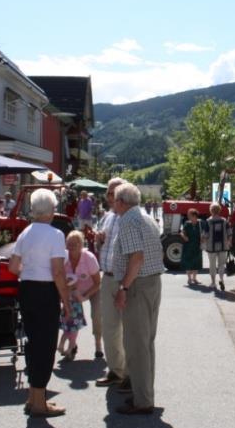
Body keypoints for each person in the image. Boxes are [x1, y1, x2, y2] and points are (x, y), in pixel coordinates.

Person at [8, 188, 72, 418]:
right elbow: (57, 272)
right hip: (45, 292)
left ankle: (34, 397)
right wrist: (66, 301)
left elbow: (13, 267)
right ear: (50, 210)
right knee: (45, 346)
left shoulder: (25, 232)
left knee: (34, 343)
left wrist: (30, 269)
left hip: (27, 288)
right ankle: (39, 402)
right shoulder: (55, 235)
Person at [111, 182, 164, 415]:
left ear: (121, 202)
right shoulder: (146, 217)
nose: (112, 203)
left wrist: (123, 287)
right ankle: (146, 395)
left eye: (114, 199)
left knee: (136, 345)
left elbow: (136, 258)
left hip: (137, 285)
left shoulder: (128, 220)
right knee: (146, 343)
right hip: (152, 282)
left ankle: (142, 400)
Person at [94, 178, 129, 389]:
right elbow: (102, 244)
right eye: (108, 194)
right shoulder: (107, 218)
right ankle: (115, 370)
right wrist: (98, 239)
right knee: (109, 328)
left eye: (112, 194)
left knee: (127, 329)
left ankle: (129, 373)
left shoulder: (131, 218)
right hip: (106, 276)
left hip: (123, 279)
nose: (109, 198)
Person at [63, 230, 102, 359]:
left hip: (93, 289)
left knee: (96, 315)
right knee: (69, 315)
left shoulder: (89, 258)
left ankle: (98, 344)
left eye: (75, 243)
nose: (72, 246)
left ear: (81, 245)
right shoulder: (64, 259)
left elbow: (98, 282)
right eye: (69, 243)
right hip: (73, 292)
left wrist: (85, 296)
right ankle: (72, 345)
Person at [202, 203, 231, 291]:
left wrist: (202, 239)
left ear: (211, 210)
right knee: (221, 265)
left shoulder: (208, 221)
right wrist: (229, 242)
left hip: (211, 247)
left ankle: (213, 283)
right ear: (219, 210)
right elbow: (229, 232)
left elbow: (206, 235)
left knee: (212, 265)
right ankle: (221, 279)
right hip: (223, 246)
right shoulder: (224, 220)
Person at [180, 208, 204, 285]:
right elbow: (182, 232)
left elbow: (205, 232)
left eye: (189, 215)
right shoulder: (187, 223)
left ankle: (194, 278)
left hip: (197, 246)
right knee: (188, 263)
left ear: (194, 216)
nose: (188, 216)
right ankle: (189, 279)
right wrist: (184, 237)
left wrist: (203, 238)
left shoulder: (200, 223)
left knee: (196, 263)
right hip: (188, 246)